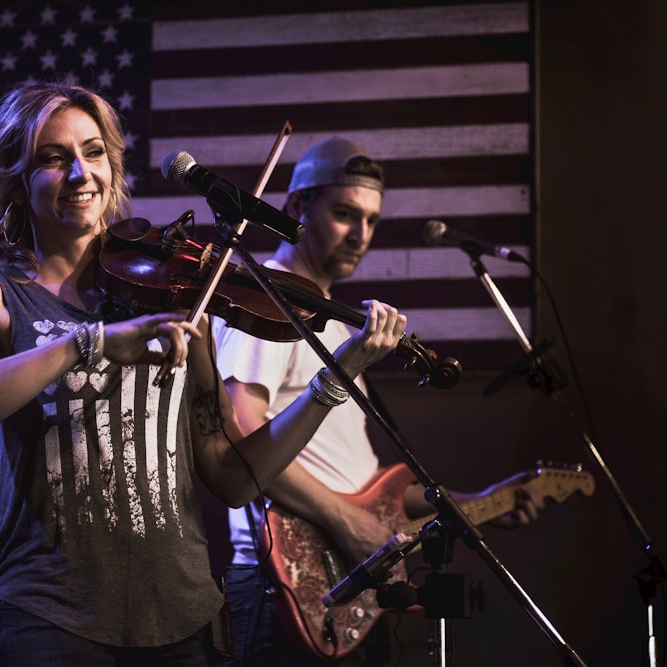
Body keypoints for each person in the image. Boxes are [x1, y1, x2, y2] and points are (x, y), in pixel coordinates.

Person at [0, 83, 409, 667]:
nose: (80, 173)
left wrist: (335, 379)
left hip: (182, 621)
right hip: (48, 617)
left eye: (94, 152)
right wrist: (92, 343)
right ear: (16, 182)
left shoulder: (176, 295)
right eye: (53, 157)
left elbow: (233, 475)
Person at [212, 137, 546, 666]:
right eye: (345, 214)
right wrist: (347, 522)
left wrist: (478, 502)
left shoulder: (328, 319)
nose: (360, 235)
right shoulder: (271, 300)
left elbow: (373, 487)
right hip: (281, 581)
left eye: (371, 220)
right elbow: (243, 434)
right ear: (298, 207)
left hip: (340, 575)